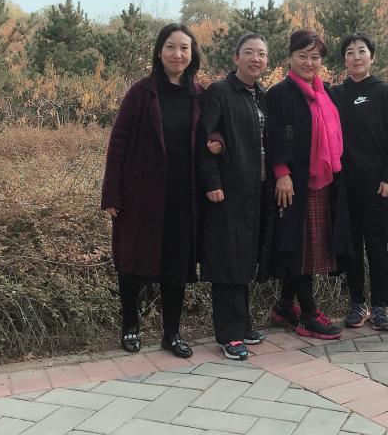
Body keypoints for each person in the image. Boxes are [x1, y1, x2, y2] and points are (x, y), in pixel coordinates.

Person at [101, 23, 209, 358]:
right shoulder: (142, 93)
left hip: (184, 197)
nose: (178, 54)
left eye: (184, 48)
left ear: (192, 54)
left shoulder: (199, 94)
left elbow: (213, 132)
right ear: (159, 52)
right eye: (171, 47)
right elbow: (118, 142)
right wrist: (112, 194)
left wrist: (218, 141)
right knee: (132, 263)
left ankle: (171, 334)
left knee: (176, 267)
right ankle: (130, 326)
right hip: (141, 196)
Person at [266, 29, 352, 340]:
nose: (309, 62)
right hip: (294, 183)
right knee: (301, 246)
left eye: (315, 57)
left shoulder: (326, 92)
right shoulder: (280, 93)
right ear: (290, 57)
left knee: (310, 246)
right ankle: (308, 313)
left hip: (324, 181)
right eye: (302, 56)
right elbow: (274, 135)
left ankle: (283, 307)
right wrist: (281, 173)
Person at [196, 34, 272, 360]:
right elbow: (203, 140)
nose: (256, 59)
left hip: (257, 191)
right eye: (249, 52)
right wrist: (212, 182)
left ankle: (243, 324)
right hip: (228, 190)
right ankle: (229, 335)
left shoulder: (261, 95)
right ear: (236, 57)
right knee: (228, 260)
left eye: (262, 54)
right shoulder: (220, 92)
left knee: (245, 257)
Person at [332, 33, 388, 331]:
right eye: (350, 52)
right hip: (345, 186)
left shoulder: (383, 93)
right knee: (351, 247)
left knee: (376, 246)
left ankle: (380, 306)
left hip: (377, 185)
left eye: (362, 51)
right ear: (344, 60)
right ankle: (357, 303)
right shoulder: (336, 94)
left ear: (372, 57)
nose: (356, 57)